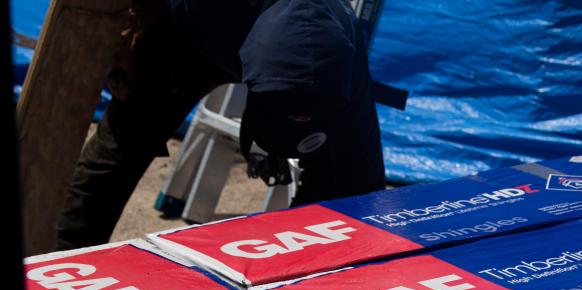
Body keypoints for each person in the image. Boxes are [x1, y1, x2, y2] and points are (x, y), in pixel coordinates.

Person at [55, 0, 385, 250]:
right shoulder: (199, 13)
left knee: (344, 189)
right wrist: (127, 22)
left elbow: (359, 195)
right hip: (188, 33)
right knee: (121, 148)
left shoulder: (343, 62)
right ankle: (56, 268)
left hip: (287, 48)